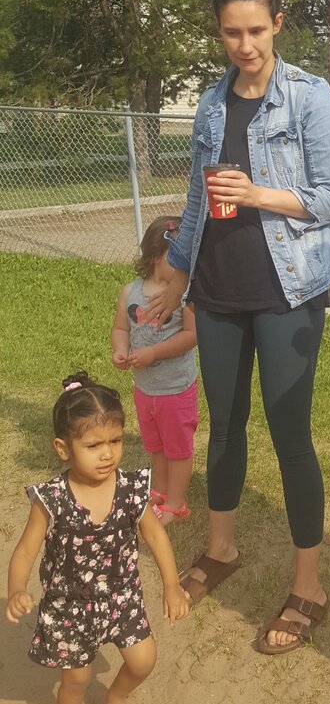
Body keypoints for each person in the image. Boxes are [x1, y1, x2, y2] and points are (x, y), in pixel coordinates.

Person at [144, 0, 330, 655]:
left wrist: (261, 192)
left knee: (289, 436)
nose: (245, 46)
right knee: (225, 427)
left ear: (278, 23)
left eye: (257, 32)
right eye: (232, 33)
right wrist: (176, 272)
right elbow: (197, 205)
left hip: (286, 292)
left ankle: (309, 587)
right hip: (220, 291)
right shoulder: (210, 101)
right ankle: (224, 549)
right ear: (218, 30)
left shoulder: (310, 98)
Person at [5, 372, 189, 704]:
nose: (107, 454)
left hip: (122, 594)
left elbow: (156, 538)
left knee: (143, 660)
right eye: (93, 445)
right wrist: (17, 587)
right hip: (70, 606)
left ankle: (116, 697)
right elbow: (24, 551)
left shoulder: (129, 488)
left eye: (115, 441)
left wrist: (172, 586)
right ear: (63, 448)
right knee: (76, 679)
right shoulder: (52, 500)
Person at [111, 215, 198, 524]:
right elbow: (121, 328)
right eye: (176, 258)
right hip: (145, 390)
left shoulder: (184, 297)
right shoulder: (131, 292)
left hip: (176, 389)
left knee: (177, 448)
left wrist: (153, 353)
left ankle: (176, 502)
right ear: (154, 257)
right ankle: (160, 490)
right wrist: (121, 350)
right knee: (156, 445)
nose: (182, 266)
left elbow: (191, 337)